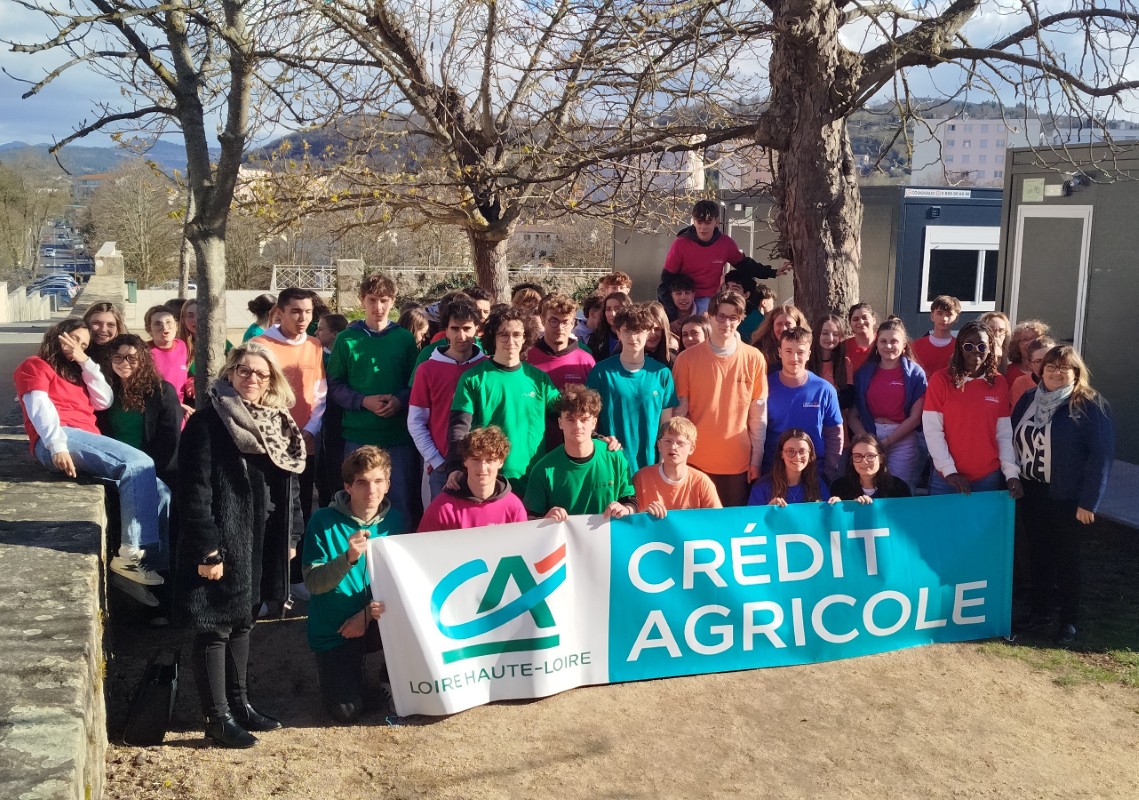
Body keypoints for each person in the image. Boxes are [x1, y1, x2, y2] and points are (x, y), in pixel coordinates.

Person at [174, 341, 305, 748]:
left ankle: (240, 704)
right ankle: (217, 718)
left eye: (260, 373)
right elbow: (193, 492)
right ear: (230, 373)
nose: (251, 378)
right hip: (221, 540)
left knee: (244, 620)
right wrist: (208, 549)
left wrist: (291, 534)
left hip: (261, 537)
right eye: (243, 370)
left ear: (271, 381)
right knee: (214, 626)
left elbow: (290, 486)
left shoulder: (277, 423)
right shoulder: (208, 422)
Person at [15, 318, 169, 593]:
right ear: (58, 335)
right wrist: (57, 446)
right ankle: (132, 554)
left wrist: (85, 362)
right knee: (139, 463)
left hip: (86, 440)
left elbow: (104, 400)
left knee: (159, 490)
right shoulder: (35, 365)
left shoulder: (77, 373)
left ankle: (147, 565)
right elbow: (39, 407)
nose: (77, 346)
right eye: (73, 338)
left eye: (84, 344)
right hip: (60, 436)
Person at [1012, 345, 1114, 643]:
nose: (1056, 372)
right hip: (1031, 491)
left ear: (1076, 373)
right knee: (1038, 554)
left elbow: (1101, 457)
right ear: (1040, 370)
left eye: (1063, 368)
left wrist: (1089, 502)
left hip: (1068, 497)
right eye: (1050, 366)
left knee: (1067, 559)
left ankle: (1068, 621)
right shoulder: (1028, 399)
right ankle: (1040, 612)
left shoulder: (1090, 405)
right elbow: (1011, 436)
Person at [303, 446, 406, 722]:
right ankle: (342, 674)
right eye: (362, 482)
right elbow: (313, 584)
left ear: (388, 485)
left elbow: (405, 584)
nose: (371, 490)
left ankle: (388, 675)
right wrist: (347, 558)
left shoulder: (396, 522)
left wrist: (367, 614)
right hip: (336, 629)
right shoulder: (322, 521)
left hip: (376, 619)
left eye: (378, 481)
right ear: (347, 486)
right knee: (346, 711)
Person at [327, 272, 422, 527]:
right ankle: (358, 549)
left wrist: (400, 400)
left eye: (384, 300)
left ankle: (397, 549)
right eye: (372, 300)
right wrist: (363, 400)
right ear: (362, 300)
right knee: (359, 502)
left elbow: (415, 384)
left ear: (393, 301)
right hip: (358, 435)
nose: (378, 307)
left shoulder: (404, 339)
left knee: (400, 502)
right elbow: (334, 385)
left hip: (398, 437)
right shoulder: (346, 340)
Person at [446, 305, 560, 498]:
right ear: (493, 337)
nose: (511, 341)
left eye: (517, 334)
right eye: (504, 335)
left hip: (534, 480)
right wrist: (455, 466)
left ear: (525, 337)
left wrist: (596, 436)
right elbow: (459, 428)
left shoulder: (539, 380)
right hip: (490, 482)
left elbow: (568, 415)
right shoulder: (473, 379)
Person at [673, 289, 768, 506]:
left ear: (741, 319)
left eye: (733, 317)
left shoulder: (754, 358)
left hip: (737, 465)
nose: (727, 323)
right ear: (710, 316)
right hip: (694, 462)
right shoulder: (686, 359)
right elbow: (679, 415)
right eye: (721, 316)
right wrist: (676, 458)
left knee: (732, 524)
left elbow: (758, 416)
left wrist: (756, 460)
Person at [922, 320, 1024, 498]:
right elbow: (933, 431)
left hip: (987, 477)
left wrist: (1011, 473)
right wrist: (949, 472)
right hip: (947, 479)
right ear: (960, 348)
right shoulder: (941, 380)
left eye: (982, 346)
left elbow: (1003, 433)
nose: (975, 350)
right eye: (968, 345)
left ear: (990, 348)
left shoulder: (998, 382)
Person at [587, 303, 679, 476]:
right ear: (618, 333)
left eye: (638, 331)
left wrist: (663, 464)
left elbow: (666, 425)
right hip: (611, 464)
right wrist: (599, 442)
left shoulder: (662, 374)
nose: (633, 337)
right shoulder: (601, 372)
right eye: (627, 331)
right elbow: (590, 422)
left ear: (648, 332)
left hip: (651, 467)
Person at [408, 298, 487, 499]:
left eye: (467, 328)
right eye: (455, 328)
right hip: (442, 466)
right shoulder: (427, 370)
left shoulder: (488, 368)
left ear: (477, 329)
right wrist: (436, 460)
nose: (461, 335)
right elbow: (416, 421)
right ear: (446, 331)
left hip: (484, 465)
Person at [523, 384, 638, 520]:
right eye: (570, 420)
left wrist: (626, 509)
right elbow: (529, 519)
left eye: (584, 420)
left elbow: (631, 502)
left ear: (594, 422)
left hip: (608, 533)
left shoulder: (615, 456)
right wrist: (545, 519)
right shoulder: (543, 470)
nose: (577, 426)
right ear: (560, 423)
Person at [657, 199, 786, 317]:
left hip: (708, 299)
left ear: (716, 222)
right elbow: (665, 283)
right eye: (699, 222)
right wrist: (672, 315)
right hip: (684, 299)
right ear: (693, 221)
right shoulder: (680, 244)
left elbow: (745, 264)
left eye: (708, 222)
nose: (703, 228)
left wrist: (772, 272)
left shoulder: (725, 243)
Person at [849, 318, 927, 487]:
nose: (888, 346)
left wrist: (888, 442)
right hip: (870, 435)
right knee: (870, 487)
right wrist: (867, 441)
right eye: (883, 341)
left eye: (894, 341)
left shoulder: (916, 374)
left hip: (902, 438)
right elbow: (853, 416)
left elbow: (915, 418)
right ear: (876, 344)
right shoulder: (863, 373)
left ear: (904, 344)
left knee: (899, 487)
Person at [95, 333, 181, 484]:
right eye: (118, 357)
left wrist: (155, 474)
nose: (124, 363)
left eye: (131, 358)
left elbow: (171, 436)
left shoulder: (162, 391)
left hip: (151, 471)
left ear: (143, 360)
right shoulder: (107, 390)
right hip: (115, 469)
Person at [763, 327, 843, 480]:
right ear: (780, 352)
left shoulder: (824, 390)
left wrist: (829, 471)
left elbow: (834, 433)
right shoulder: (765, 386)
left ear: (808, 354)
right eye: (788, 351)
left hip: (814, 473)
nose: (794, 358)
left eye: (800, 352)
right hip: (773, 471)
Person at [418, 426, 529, 532]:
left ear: (501, 462)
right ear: (465, 460)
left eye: (490, 460)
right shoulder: (443, 508)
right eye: (476, 459)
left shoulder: (514, 507)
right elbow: (423, 544)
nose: (482, 468)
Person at [635, 417, 722, 518]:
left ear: (691, 448)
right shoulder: (641, 478)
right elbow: (627, 520)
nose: (673, 447)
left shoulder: (702, 482)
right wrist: (643, 515)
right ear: (659, 445)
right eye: (668, 441)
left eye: (680, 443)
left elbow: (718, 519)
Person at [526, 293, 595, 389]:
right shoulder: (527, 358)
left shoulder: (585, 361)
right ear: (543, 320)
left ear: (573, 323)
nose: (560, 328)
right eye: (554, 321)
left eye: (565, 322)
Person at [748, 429, 830, 506]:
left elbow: (826, 515)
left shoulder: (817, 484)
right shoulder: (762, 487)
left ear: (810, 454)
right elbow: (752, 516)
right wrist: (768, 510)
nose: (797, 457)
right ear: (781, 454)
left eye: (802, 451)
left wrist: (834, 507)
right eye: (790, 451)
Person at [828, 433, 912, 503]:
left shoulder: (898, 488)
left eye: (870, 456)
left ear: (881, 458)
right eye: (857, 456)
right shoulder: (839, 487)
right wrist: (838, 507)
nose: (864, 462)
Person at [145, 304, 191, 416]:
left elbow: (184, 373)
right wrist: (175, 406)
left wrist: (191, 382)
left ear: (176, 326)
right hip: (157, 412)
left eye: (169, 322)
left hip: (182, 411)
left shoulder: (182, 345)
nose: (165, 328)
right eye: (158, 324)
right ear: (149, 329)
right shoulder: (144, 351)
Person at [750, 303, 810, 373]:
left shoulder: (806, 348)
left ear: (797, 325)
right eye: (779, 324)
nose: (784, 328)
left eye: (788, 324)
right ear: (772, 326)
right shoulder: (760, 350)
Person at [911, 295, 960, 376]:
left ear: (957, 318)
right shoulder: (915, 347)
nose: (944, 318)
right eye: (939, 313)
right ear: (932, 316)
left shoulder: (960, 348)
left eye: (949, 314)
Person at [807, 313, 851, 391]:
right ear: (817, 334)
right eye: (825, 333)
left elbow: (848, 393)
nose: (830, 338)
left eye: (835, 334)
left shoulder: (845, 363)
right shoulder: (806, 362)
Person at [1009, 336, 1055, 408]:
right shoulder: (1021, 383)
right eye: (1038, 361)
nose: (1044, 364)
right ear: (1030, 364)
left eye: (1049, 360)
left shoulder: (1063, 381)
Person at [1004, 319, 1050, 389]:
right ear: (1017, 345)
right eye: (1025, 339)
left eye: (1034, 338)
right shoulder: (1007, 372)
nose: (1030, 342)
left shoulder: (1051, 371)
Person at [586, 291, 630, 361]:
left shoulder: (636, 336)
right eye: (608, 309)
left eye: (617, 308)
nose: (612, 313)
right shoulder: (596, 338)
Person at [844, 302, 878, 375]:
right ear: (850, 323)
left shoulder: (884, 342)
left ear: (874, 320)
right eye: (855, 319)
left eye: (865, 318)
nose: (861, 322)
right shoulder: (843, 347)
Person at [644, 301, 680, 365]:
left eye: (657, 329)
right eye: (647, 329)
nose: (652, 334)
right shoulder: (628, 359)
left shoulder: (673, 360)